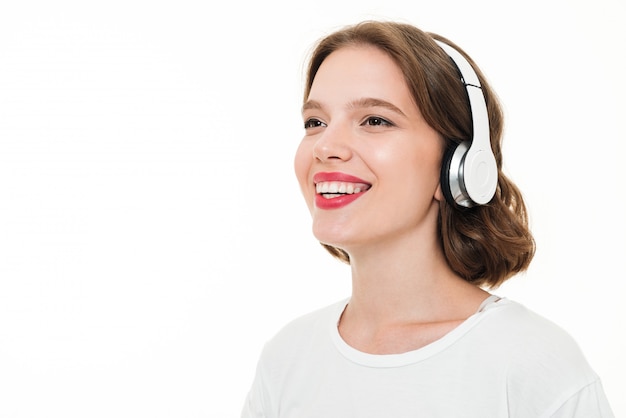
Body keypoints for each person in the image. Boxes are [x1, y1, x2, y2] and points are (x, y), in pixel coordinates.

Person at [241, 20, 614, 417]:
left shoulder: (531, 363)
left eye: (375, 120)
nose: (326, 146)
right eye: (315, 122)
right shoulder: (288, 359)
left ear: (460, 166)